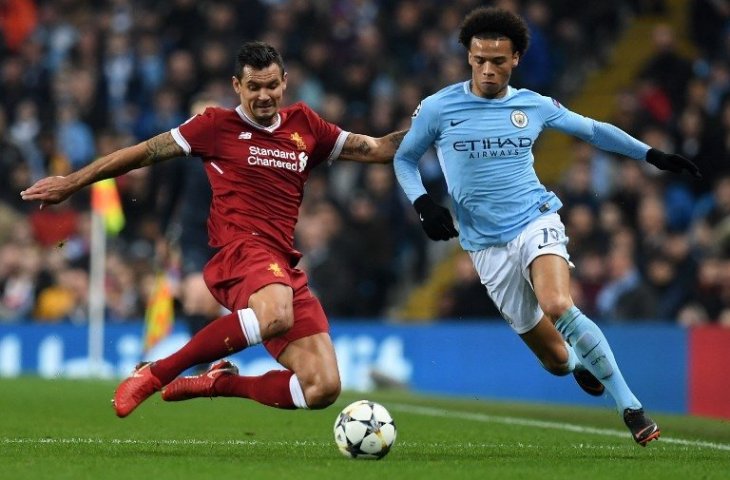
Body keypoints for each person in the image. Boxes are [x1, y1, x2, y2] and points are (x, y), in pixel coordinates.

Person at [22, 41, 407, 417]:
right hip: (240, 251)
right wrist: (72, 181)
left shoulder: (305, 124)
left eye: (271, 85)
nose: (263, 96)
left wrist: (435, 123)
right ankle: (155, 373)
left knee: (322, 388)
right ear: (236, 86)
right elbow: (139, 154)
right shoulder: (214, 126)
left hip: (282, 264)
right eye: (253, 87)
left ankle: (221, 382)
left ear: (285, 82)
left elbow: (378, 149)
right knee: (276, 315)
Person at [393, 7, 701, 447]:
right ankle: (580, 366)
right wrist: (422, 202)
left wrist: (651, 155)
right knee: (557, 361)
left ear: (515, 58)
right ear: (468, 56)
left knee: (558, 304)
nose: (487, 69)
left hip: (533, 218)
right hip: (483, 244)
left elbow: (593, 130)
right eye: (479, 59)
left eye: (497, 61)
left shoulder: (532, 105)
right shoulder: (438, 108)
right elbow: (404, 159)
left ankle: (630, 407)